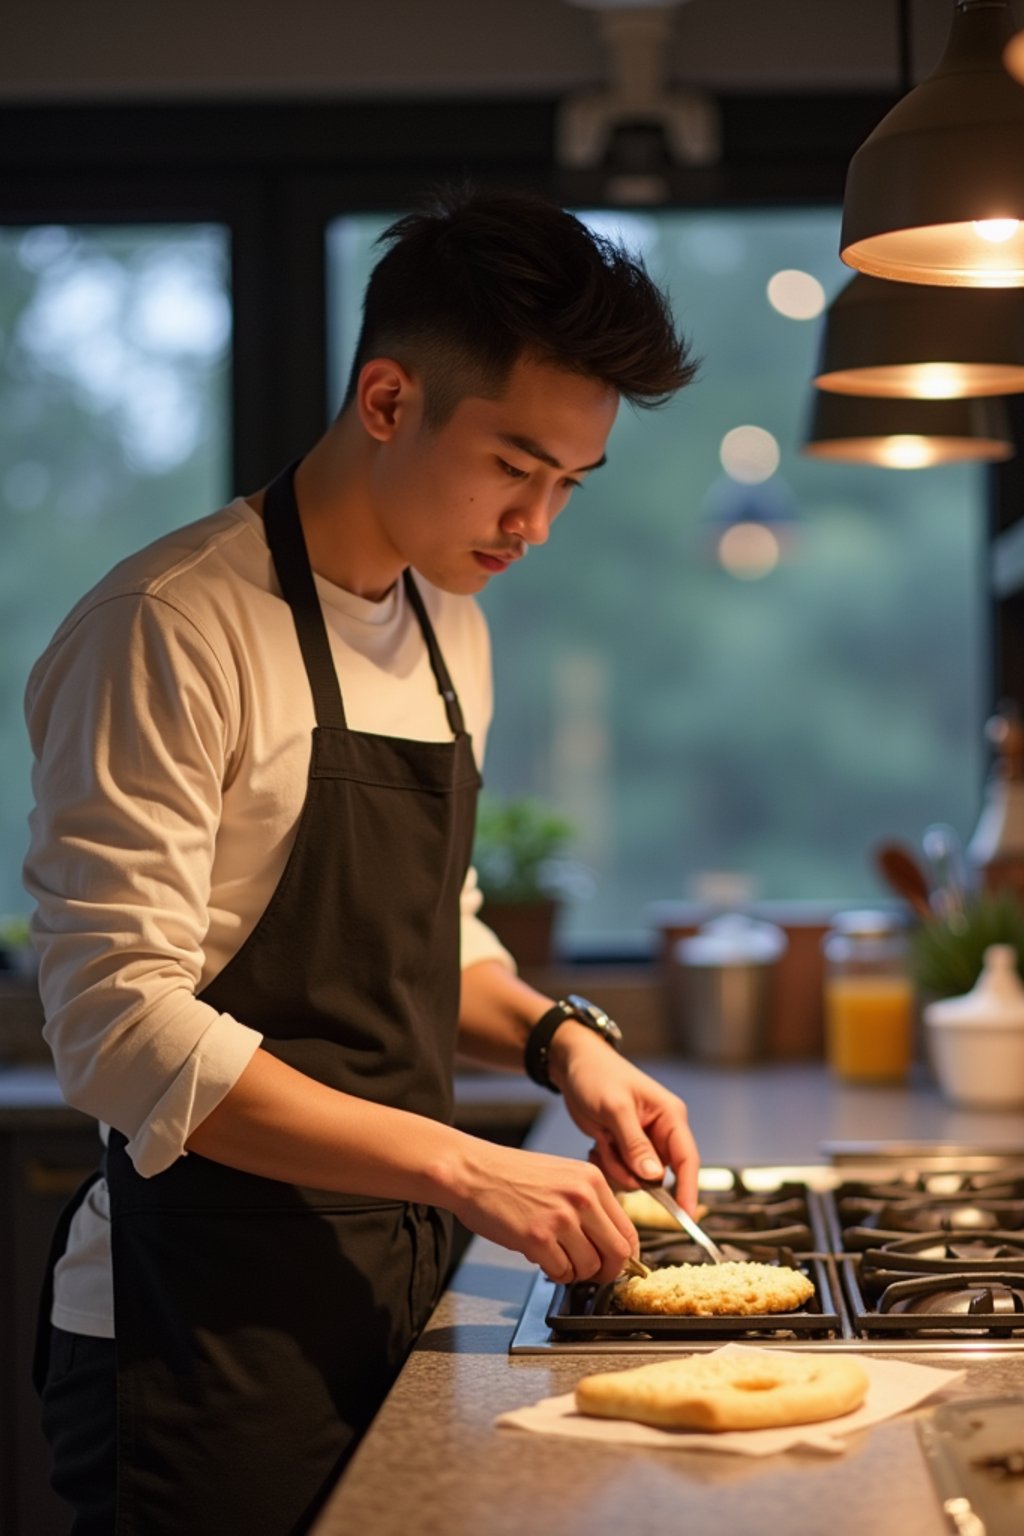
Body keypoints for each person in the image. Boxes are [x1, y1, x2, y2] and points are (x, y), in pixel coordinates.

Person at [24, 184, 699, 1536]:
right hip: (198, 1325)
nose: (538, 524)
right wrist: (464, 1164)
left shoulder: (452, 625)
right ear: (388, 401)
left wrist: (570, 1044)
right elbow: (114, 1028)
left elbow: (424, 926)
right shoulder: (172, 626)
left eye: (569, 482)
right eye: (515, 467)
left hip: (397, 1290)